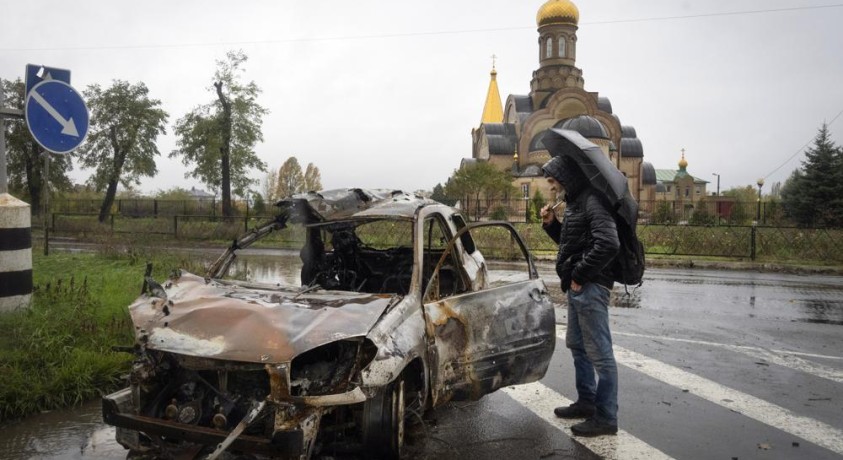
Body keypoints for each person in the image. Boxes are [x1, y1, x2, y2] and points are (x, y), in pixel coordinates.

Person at [540, 155, 621, 437]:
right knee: (578, 345)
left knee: (600, 353)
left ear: (566, 177)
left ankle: (606, 417)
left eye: (553, 181)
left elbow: (608, 243)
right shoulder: (575, 202)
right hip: (577, 285)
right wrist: (553, 224)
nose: (551, 187)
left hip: (590, 286)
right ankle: (587, 402)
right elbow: (572, 243)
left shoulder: (592, 201)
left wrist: (579, 275)